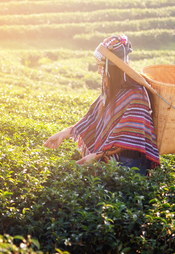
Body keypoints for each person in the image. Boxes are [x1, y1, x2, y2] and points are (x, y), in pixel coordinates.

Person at [43, 35, 160, 175]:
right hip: (110, 160)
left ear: (113, 68)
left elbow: (129, 136)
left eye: (101, 67)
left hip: (130, 165)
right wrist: (62, 134)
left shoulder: (136, 95)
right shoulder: (112, 90)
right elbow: (92, 119)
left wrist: (96, 155)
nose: (99, 71)